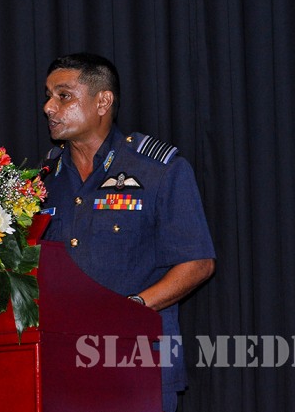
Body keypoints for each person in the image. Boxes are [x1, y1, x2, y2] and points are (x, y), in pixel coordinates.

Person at [39, 52, 215, 412]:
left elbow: (198, 263)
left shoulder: (158, 170)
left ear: (103, 101)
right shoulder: (43, 181)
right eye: (48, 96)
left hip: (136, 362)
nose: (49, 107)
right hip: (61, 367)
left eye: (64, 96)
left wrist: (129, 309)